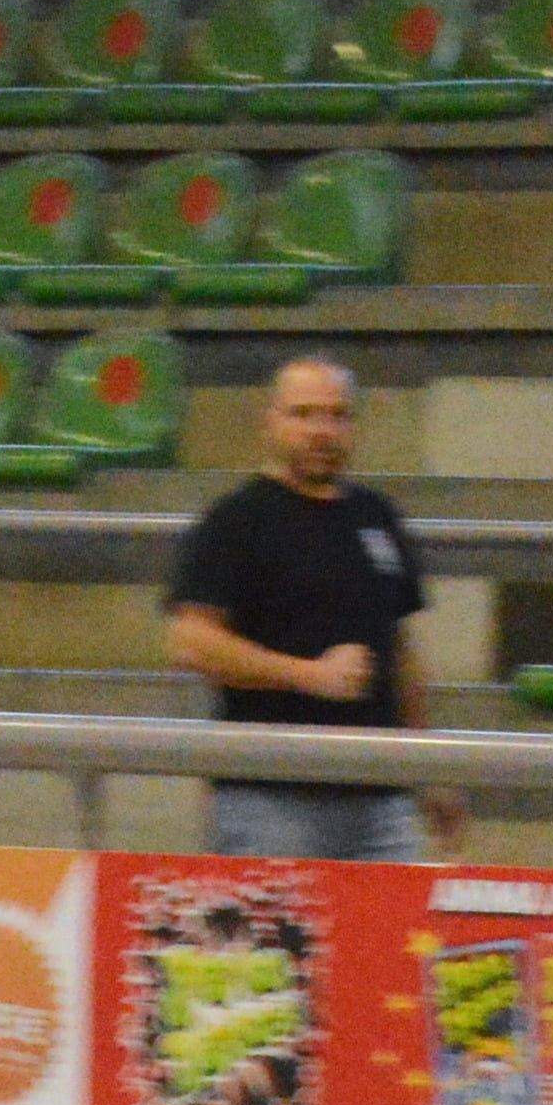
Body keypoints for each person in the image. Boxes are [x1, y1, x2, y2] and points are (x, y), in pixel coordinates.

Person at [165, 355, 458, 864]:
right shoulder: (236, 522)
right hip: (274, 797)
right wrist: (306, 674)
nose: (322, 431)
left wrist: (429, 769)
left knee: (392, 939)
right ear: (270, 422)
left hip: (380, 793)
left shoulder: (376, 516)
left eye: (336, 415)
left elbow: (402, 652)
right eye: (303, 414)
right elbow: (189, 641)